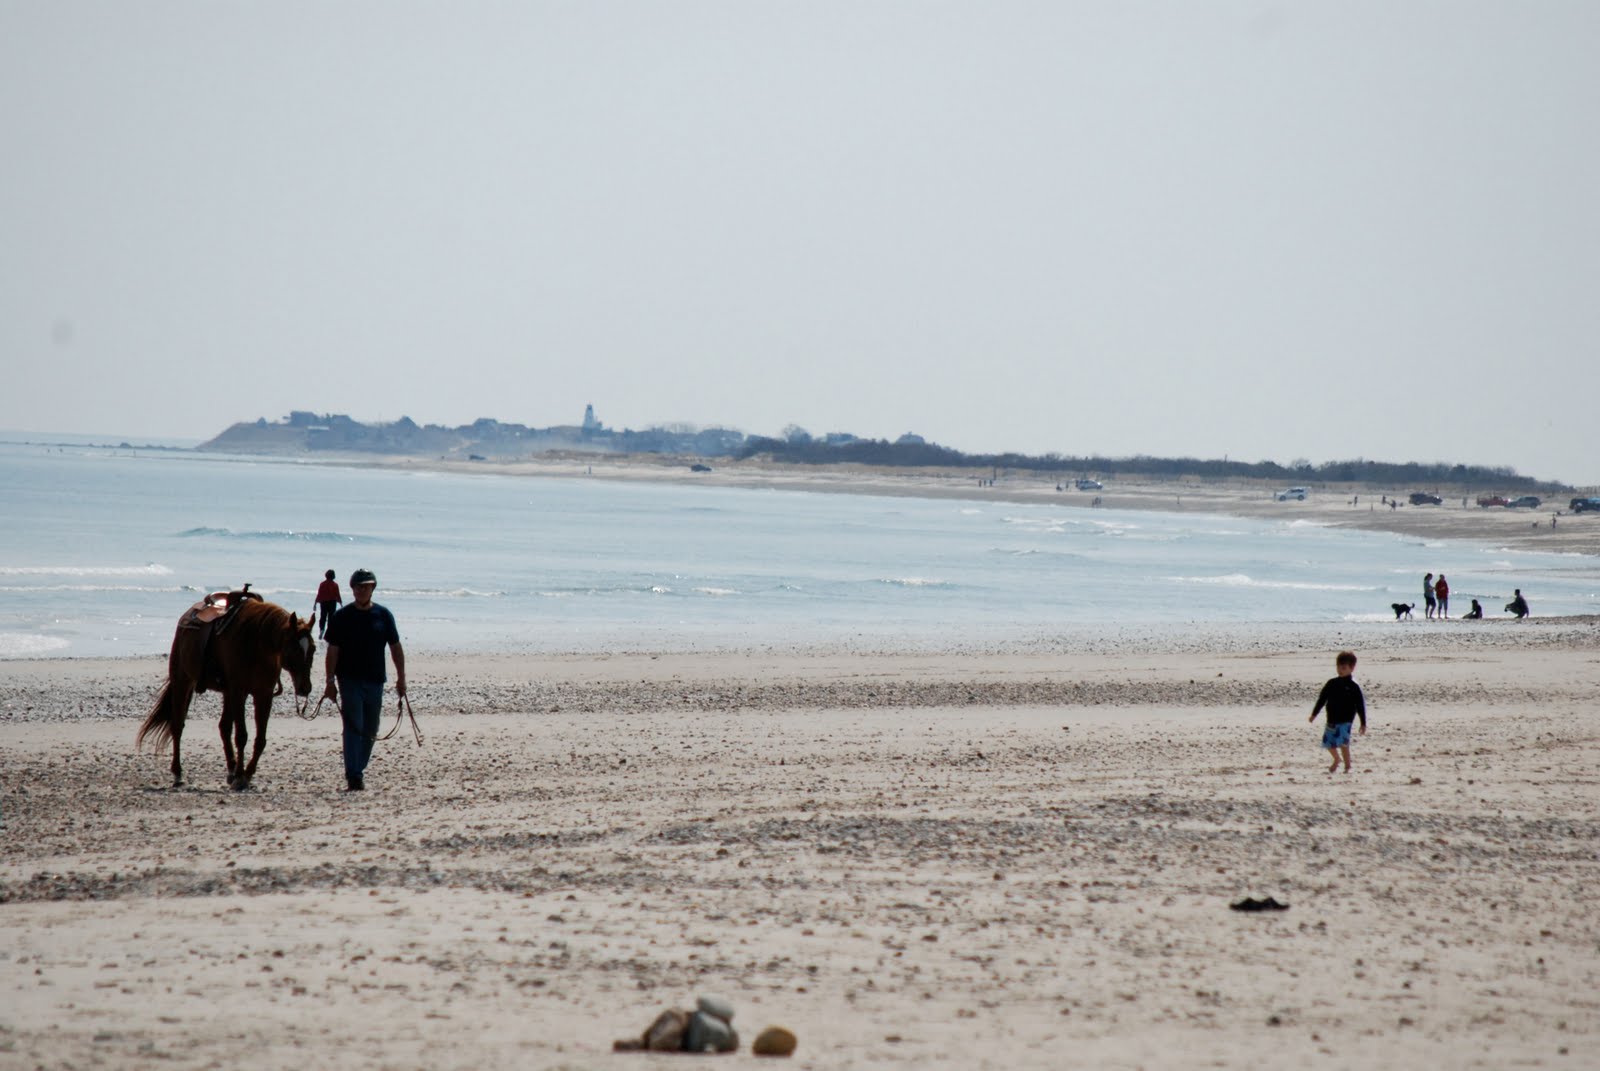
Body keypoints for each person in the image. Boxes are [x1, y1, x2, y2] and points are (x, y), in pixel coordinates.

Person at [321, 569, 405, 791]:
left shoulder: (383, 615)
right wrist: (329, 682)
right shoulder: (342, 617)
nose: (362, 590)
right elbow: (332, 651)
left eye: (366, 586)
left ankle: (358, 767)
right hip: (349, 680)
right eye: (358, 587)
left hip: (376, 681)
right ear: (352, 589)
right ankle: (354, 775)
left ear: (372, 588)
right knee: (353, 726)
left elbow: (396, 648)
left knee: (371, 728)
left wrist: (401, 678)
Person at [1309, 651, 1367, 774]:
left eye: (1344, 667)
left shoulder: (1353, 686)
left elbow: (1360, 705)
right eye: (1338, 667)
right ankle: (1337, 759)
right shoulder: (1331, 683)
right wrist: (1314, 714)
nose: (1340, 670)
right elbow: (1322, 699)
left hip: (1345, 720)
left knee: (1343, 744)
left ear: (1352, 668)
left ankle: (1347, 766)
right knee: (1329, 743)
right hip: (1331, 719)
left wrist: (1363, 722)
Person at [313, 568, 342, 640]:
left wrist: (315, 603)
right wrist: (341, 603)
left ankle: (322, 629)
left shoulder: (322, 584)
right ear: (333, 576)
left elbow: (319, 594)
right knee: (331, 618)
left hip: (324, 602)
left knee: (323, 616)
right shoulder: (335, 585)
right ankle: (329, 633)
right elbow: (337, 595)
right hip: (332, 602)